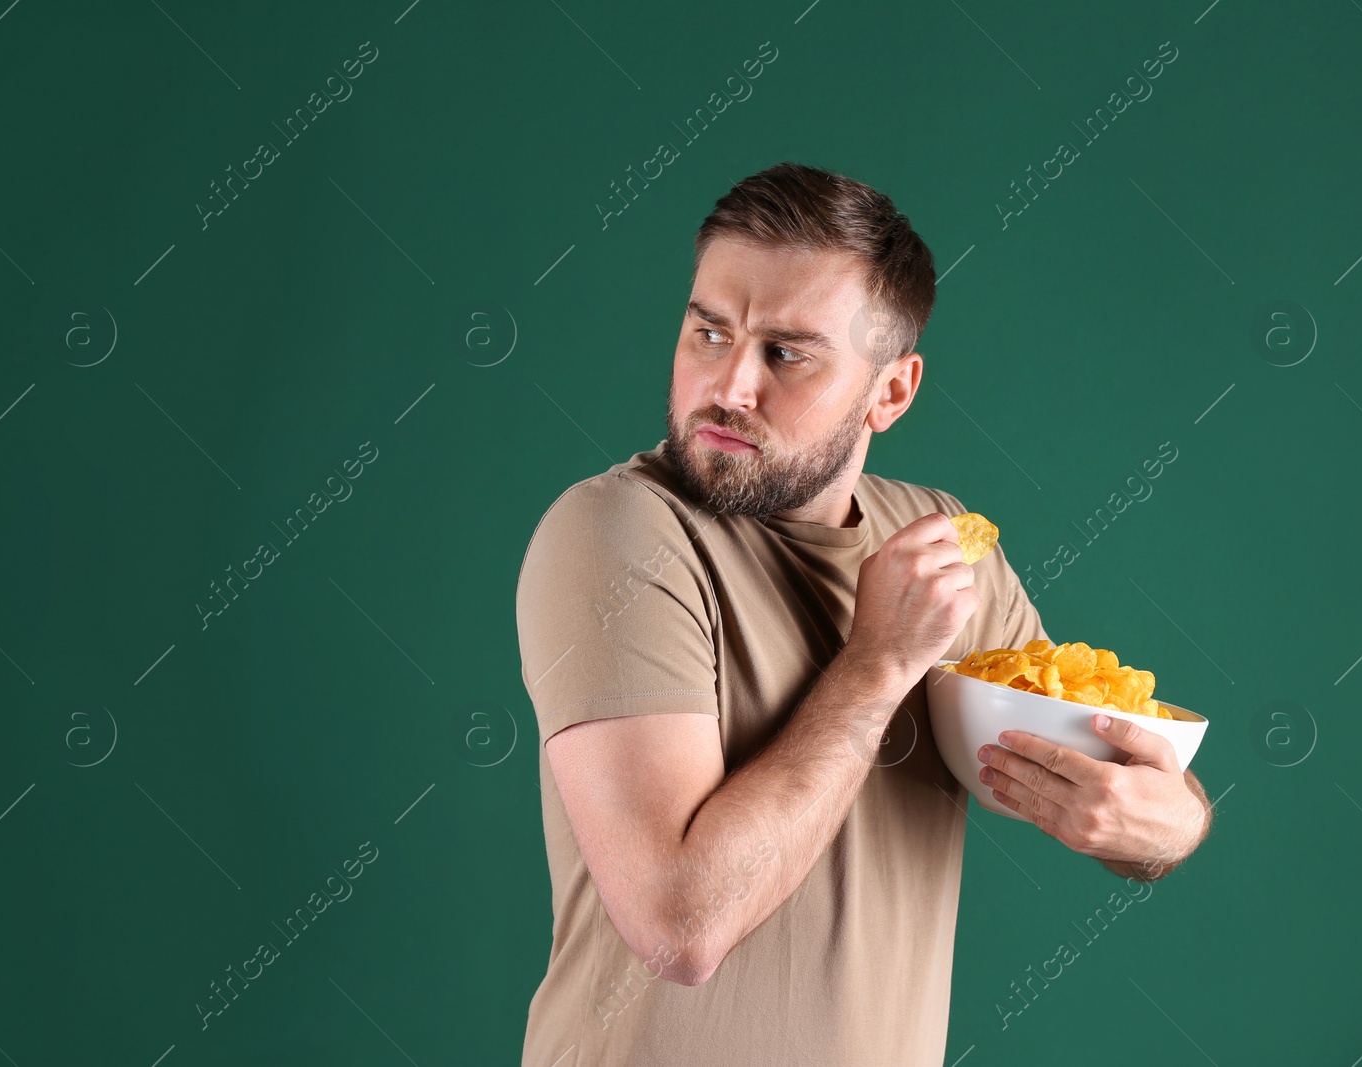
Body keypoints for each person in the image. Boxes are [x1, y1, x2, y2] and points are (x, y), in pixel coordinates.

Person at [514, 161, 1213, 1066]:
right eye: (709, 333)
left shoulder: (944, 548)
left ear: (892, 391)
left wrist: (1168, 829)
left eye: (787, 353)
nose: (729, 385)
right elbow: (679, 925)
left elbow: (1107, 770)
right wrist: (878, 662)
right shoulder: (615, 533)